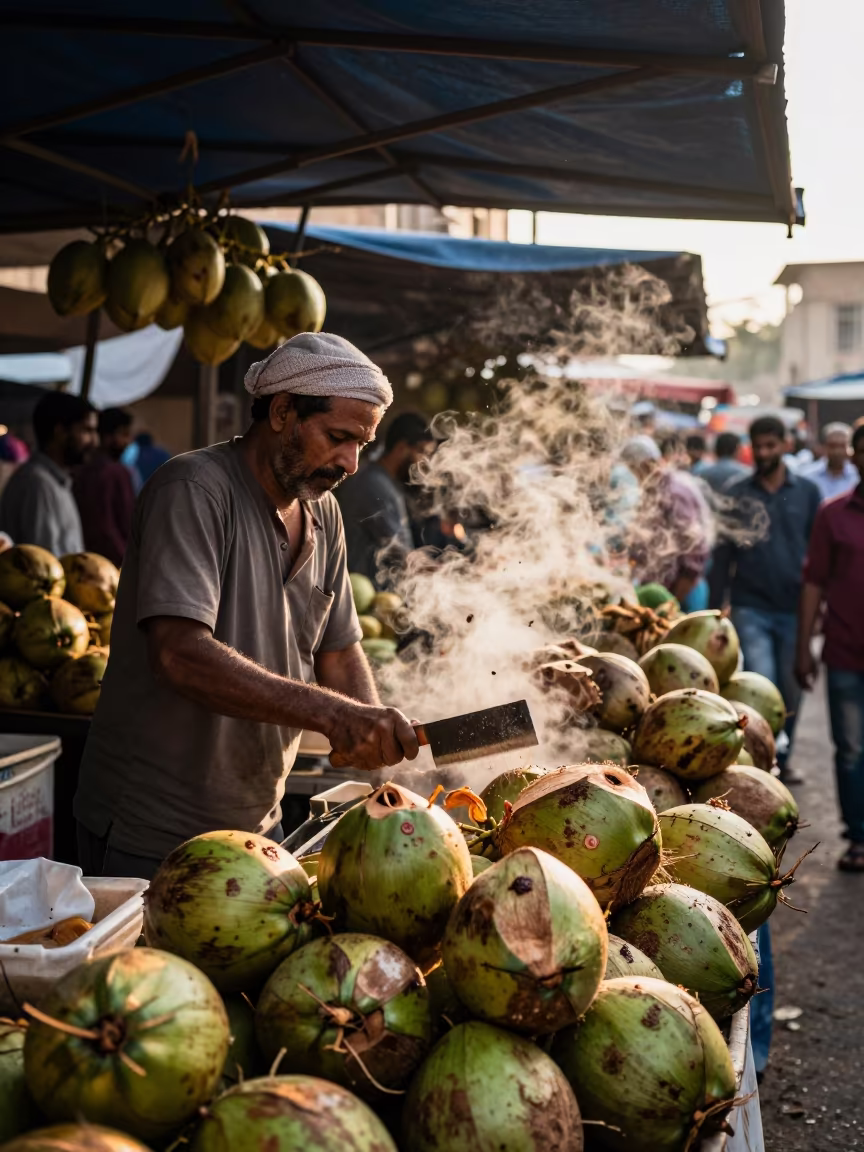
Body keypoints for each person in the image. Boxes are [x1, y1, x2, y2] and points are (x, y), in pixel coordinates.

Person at [74, 333, 420, 879]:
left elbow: (340, 648)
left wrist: (370, 734)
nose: (351, 463)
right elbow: (179, 654)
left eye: (361, 445)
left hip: (259, 822)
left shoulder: (323, 514)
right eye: (338, 437)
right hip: (151, 828)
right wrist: (334, 714)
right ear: (282, 411)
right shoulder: (193, 490)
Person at [709, 414, 821, 784]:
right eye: (758, 446)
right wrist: (715, 609)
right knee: (761, 683)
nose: (764, 452)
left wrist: (818, 609)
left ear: (787, 445)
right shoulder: (737, 493)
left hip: (794, 608)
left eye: (771, 445)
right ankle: (762, 762)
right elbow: (722, 555)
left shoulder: (807, 492)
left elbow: (818, 557)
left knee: (790, 689)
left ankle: (782, 757)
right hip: (749, 606)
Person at [796, 423, 864, 869]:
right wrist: (803, 647)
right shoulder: (832, 513)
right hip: (845, 650)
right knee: (852, 748)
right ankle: (858, 837)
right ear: (855, 456)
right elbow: (814, 582)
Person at [336, 411, 437, 587]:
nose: (426, 463)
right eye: (422, 452)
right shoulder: (374, 484)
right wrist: (448, 573)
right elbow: (402, 555)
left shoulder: (385, 482)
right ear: (401, 448)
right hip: (366, 599)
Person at [619, 435, 713, 603]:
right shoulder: (651, 492)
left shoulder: (675, 493)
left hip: (685, 593)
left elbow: (694, 552)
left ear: (647, 465)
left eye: (634, 469)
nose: (635, 476)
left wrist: (674, 602)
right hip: (660, 588)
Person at [0, 393, 97, 555]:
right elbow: (44, 566)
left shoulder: (54, 481)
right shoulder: (37, 484)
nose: (95, 441)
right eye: (87, 430)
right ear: (60, 432)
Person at [73, 407, 137, 567]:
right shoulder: (112, 472)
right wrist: (129, 564)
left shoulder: (82, 469)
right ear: (107, 437)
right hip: (110, 566)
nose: (128, 442)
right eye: (123, 434)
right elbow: (105, 528)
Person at [800, 422, 858, 503]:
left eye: (842, 446)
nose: (837, 451)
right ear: (824, 446)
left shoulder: (857, 477)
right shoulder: (808, 476)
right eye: (832, 446)